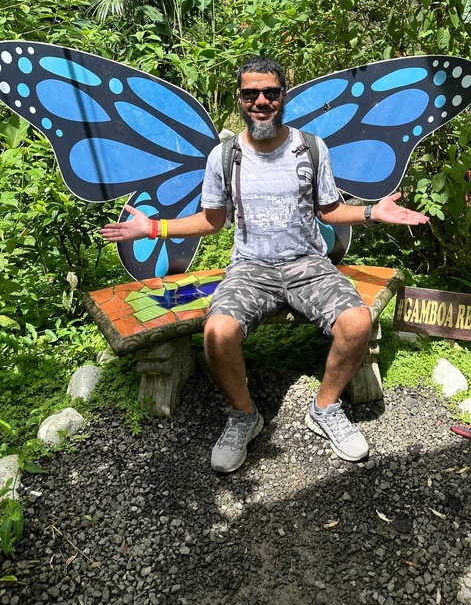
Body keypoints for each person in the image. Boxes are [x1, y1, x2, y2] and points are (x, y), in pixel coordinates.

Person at [101, 56, 429, 472]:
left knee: (358, 322)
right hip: (251, 268)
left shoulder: (310, 148)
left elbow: (328, 211)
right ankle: (244, 416)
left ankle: (325, 408)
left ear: (282, 96)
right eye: (250, 93)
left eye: (269, 93)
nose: (260, 101)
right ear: (240, 98)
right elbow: (212, 220)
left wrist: (371, 213)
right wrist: (153, 229)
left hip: (306, 263)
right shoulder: (224, 156)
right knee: (217, 333)